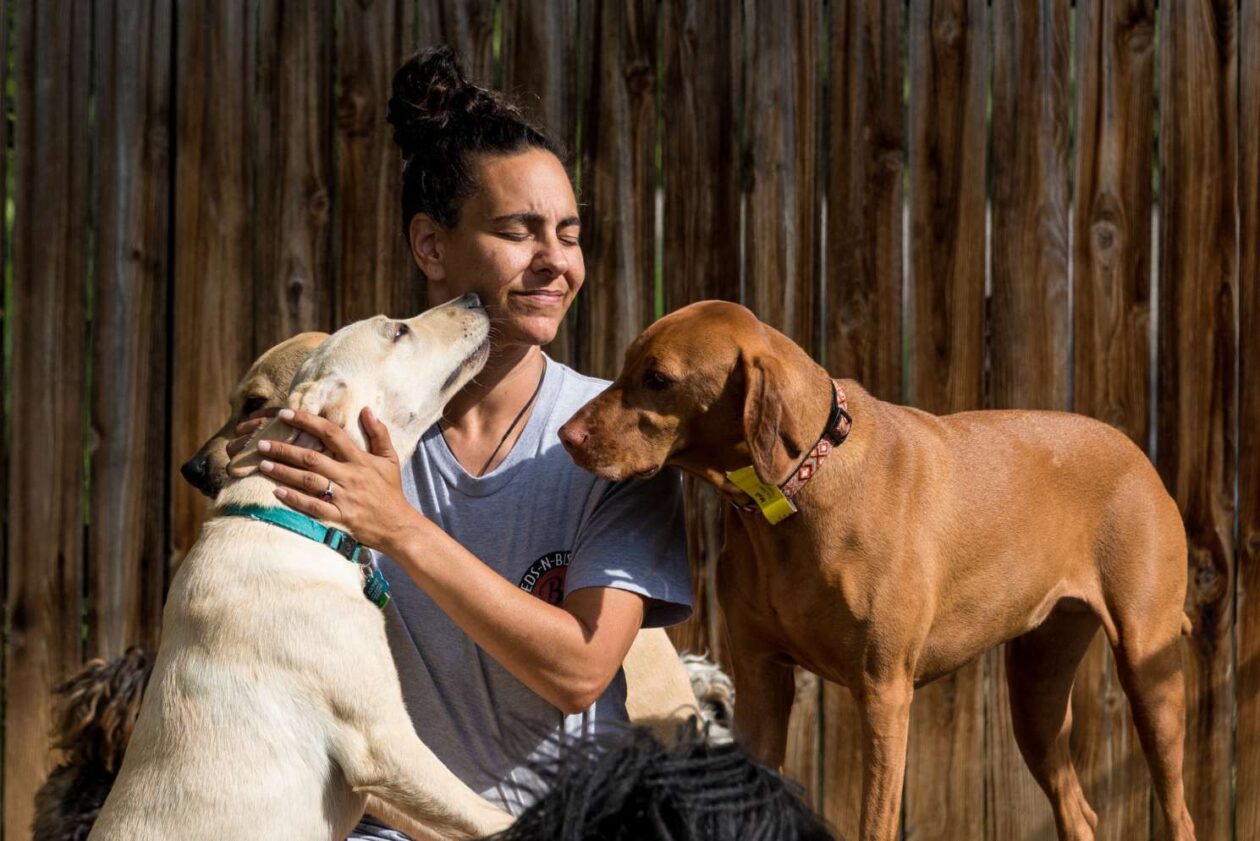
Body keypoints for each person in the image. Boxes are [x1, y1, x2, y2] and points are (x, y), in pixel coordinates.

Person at [243, 46, 691, 836]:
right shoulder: (348, 430)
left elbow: (583, 668)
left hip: (577, 822)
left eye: (569, 233)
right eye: (519, 232)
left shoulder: (618, 437)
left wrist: (399, 528)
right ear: (430, 246)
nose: (554, 261)